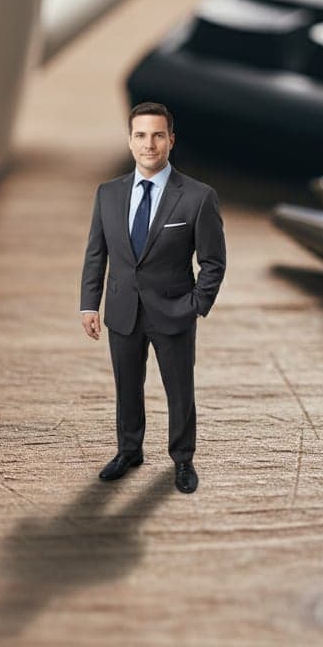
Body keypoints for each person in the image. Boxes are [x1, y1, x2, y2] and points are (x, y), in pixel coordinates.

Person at [80, 102, 226, 494]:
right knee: (127, 386)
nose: (150, 144)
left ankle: (182, 460)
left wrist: (196, 305)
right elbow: (97, 253)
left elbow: (213, 261)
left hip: (174, 311)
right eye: (141, 135)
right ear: (130, 141)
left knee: (179, 390)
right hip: (123, 310)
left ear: (171, 140)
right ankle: (129, 451)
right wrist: (89, 304)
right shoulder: (108, 194)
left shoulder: (197, 197)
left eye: (158, 135)